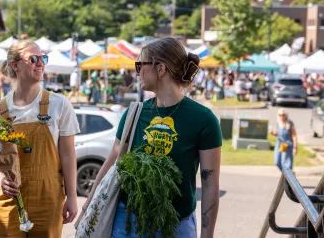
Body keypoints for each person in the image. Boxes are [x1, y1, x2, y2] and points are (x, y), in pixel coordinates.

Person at [79, 37, 222, 238]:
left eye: (140, 65)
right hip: (126, 224)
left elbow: (209, 186)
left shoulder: (203, 120)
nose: (137, 73)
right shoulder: (134, 114)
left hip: (176, 226)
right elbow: (112, 162)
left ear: (160, 69)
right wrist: (87, 208)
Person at [0, 40, 80, 237]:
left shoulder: (59, 104)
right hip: (7, 197)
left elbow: (68, 154)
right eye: (33, 59)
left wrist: (72, 196)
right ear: (15, 65)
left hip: (47, 198)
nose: (40, 63)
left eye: (43, 58)